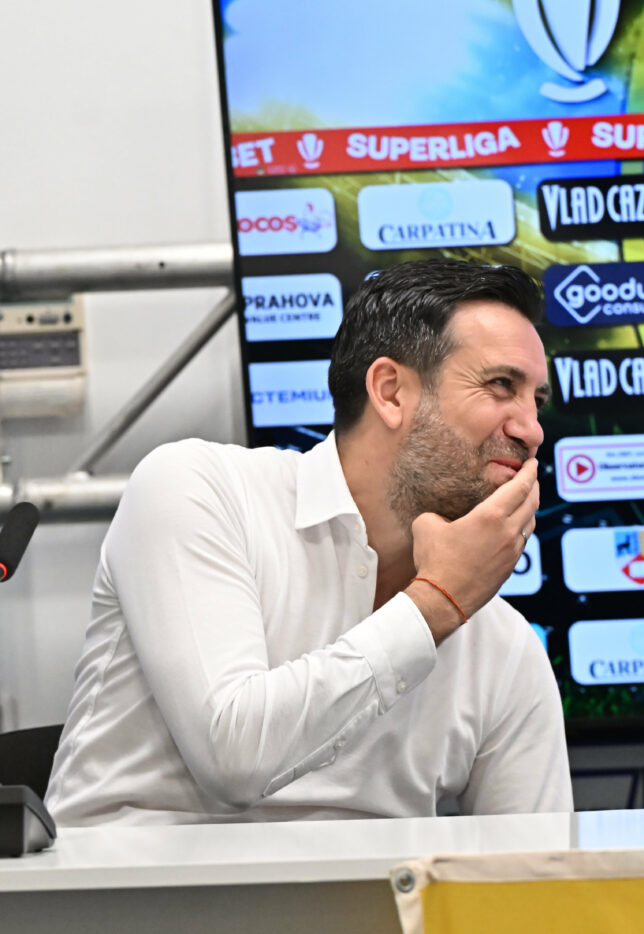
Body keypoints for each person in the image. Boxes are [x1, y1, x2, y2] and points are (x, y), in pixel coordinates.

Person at [46, 258, 572, 824]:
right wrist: (436, 604)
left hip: (369, 889)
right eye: (500, 386)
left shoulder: (505, 647)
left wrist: (441, 602)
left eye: (536, 401)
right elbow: (232, 757)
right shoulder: (197, 490)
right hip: (126, 882)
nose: (532, 429)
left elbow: (535, 867)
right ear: (391, 392)